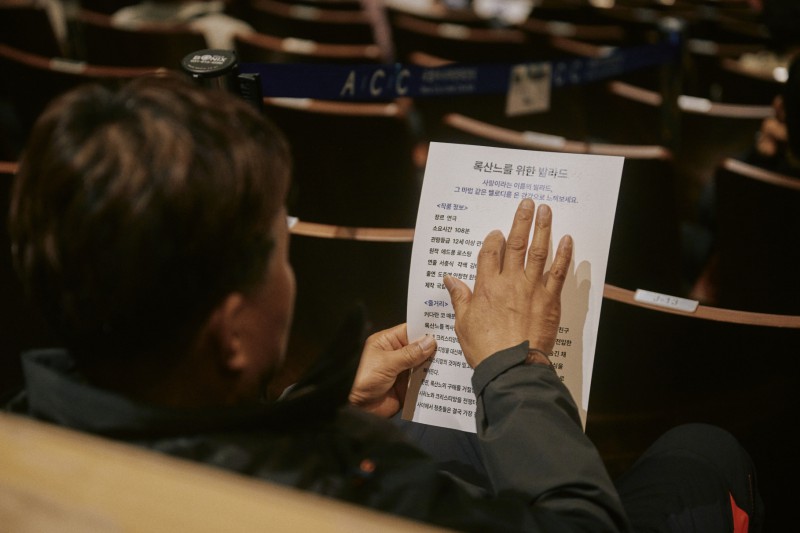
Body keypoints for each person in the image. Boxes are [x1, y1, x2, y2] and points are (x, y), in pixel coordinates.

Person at [4, 73, 761, 532]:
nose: (290, 271)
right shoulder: (351, 504)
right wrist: (517, 364)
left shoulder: (25, 427)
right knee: (704, 450)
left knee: (443, 439)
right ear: (231, 333)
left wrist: (308, 401)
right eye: (279, 246)